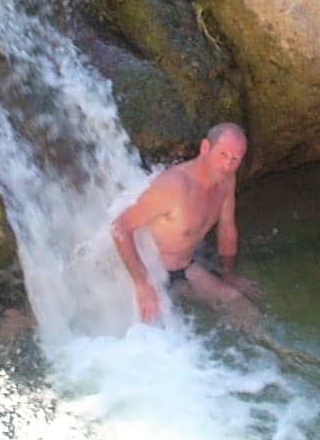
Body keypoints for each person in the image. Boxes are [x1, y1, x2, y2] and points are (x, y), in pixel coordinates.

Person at [111, 122, 260, 323]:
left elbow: (226, 227)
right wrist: (142, 284)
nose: (227, 166)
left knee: (238, 304)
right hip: (151, 272)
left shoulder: (226, 180)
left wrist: (228, 274)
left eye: (235, 159)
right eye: (223, 155)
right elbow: (120, 227)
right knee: (155, 339)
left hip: (185, 268)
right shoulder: (175, 186)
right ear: (205, 147)